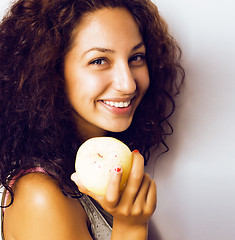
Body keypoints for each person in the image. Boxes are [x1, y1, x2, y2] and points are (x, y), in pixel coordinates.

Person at [0, 0, 184, 239]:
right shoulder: (40, 197)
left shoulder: (94, 171)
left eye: (136, 57)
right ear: (51, 70)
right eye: (99, 61)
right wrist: (131, 227)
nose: (128, 84)